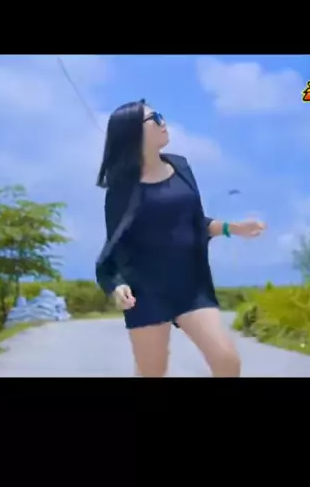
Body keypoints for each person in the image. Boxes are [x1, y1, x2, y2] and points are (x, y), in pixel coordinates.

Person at [95, 100, 266, 378]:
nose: (163, 122)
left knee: (227, 361)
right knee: (152, 373)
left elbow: (196, 224)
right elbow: (114, 247)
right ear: (133, 132)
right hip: (146, 294)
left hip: (191, 288)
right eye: (154, 118)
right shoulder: (121, 191)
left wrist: (234, 228)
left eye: (161, 115)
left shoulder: (181, 166)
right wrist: (117, 287)